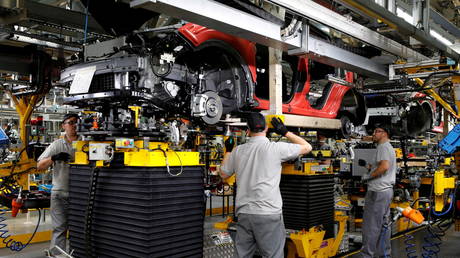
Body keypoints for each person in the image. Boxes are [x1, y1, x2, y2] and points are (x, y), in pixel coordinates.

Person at [219, 113, 312, 258]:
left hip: (244, 213)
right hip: (268, 213)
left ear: (247, 131)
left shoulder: (237, 151)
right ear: (267, 128)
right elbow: (307, 147)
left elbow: (223, 174)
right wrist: (285, 131)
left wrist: (229, 151)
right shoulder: (276, 148)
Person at [37, 113, 79, 255]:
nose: (75, 125)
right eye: (71, 122)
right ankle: (56, 255)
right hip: (60, 194)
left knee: (79, 229)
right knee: (60, 228)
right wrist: (54, 158)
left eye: (77, 122)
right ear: (63, 126)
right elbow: (40, 165)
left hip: (81, 194)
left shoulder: (87, 143)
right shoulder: (57, 144)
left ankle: (76, 253)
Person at [360, 125, 396, 258]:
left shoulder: (383, 147)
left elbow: (384, 166)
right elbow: (381, 165)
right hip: (385, 191)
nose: (374, 134)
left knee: (371, 226)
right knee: (384, 226)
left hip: (378, 191)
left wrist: (368, 176)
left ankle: (367, 255)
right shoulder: (387, 147)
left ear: (385, 134)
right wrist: (368, 166)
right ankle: (384, 254)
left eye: (377, 131)